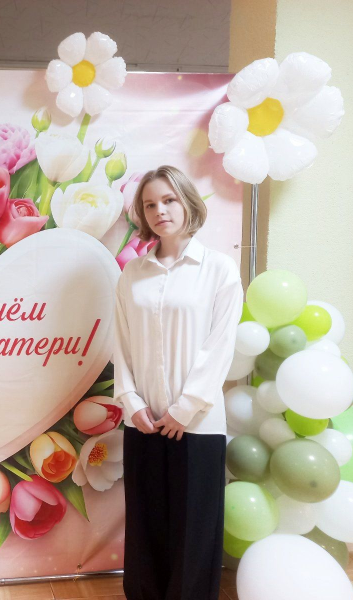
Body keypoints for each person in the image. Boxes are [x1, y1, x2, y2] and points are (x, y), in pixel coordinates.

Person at [113, 165, 243, 600]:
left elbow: (220, 346)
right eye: (150, 204)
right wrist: (131, 401)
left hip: (197, 423)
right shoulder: (133, 274)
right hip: (143, 420)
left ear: (188, 201)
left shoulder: (219, 269)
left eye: (168, 200)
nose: (160, 211)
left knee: (194, 531)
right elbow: (121, 342)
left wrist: (186, 408)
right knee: (146, 524)